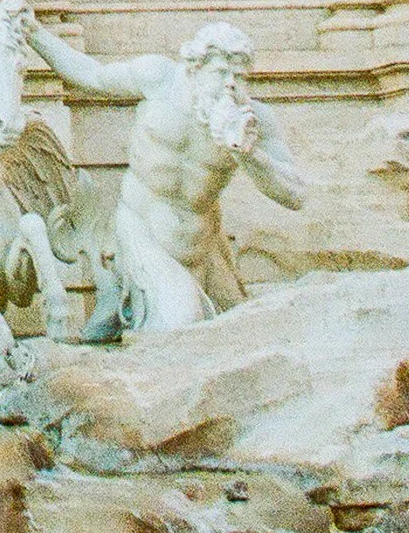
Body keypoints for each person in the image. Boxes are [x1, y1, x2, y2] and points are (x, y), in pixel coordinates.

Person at [22, 17, 305, 332]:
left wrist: (250, 155)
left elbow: (295, 195)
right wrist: (34, 34)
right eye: (220, 73)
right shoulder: (160, 79)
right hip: (143, 232)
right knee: (181, 324)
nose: (230, 85)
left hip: (204, 246)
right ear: (194, 69)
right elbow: (92, 75)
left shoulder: (254, 120)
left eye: (239, 76)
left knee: (241, 334)